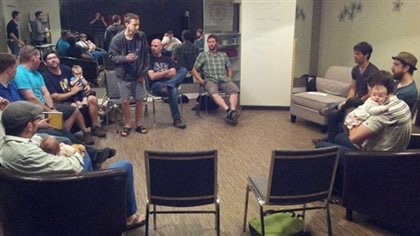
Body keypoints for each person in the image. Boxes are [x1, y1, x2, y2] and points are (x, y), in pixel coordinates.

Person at [0, 101, 146, 230]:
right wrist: (78, 151)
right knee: (123, 166)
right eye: (36, 121)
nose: (38, 122)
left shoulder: (9, 144)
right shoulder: (25, 154)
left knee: (69, 144)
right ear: (29, 126)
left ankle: (95, 165)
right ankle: (128, 218)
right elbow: (74, 167)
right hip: (66, 195)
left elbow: (36, 139)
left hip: (37, 199)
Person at [14, 46, 95, 144]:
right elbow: (31, 98)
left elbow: (45, 92)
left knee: (73, 110)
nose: (40, 61)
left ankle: (70, 137)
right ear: (33, 58)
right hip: (32, 110)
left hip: (45, 105)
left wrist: (51, 108)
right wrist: (49, 110)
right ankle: (66, 140)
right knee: (60, 117)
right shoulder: (20, 73)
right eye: (39, 58)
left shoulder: (36, 74)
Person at [317, 70, 412, 151]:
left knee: (321, 147)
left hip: (376, 158)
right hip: (396, 153)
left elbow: (354, 138)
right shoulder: (402, 104)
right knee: (339, 137)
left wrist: (353, 119)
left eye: (369, 89)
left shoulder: (384, 112)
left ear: (377, 88)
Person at [314, 42, 379, 143]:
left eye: (358, 54)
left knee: (339, 109)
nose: (355, 56)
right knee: (334, 114)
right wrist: (348, 101)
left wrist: (356, 101)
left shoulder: (372, 72)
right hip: (355, 99)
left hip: (366, 102)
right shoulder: (355, 69)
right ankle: (330, 138)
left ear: (366, 55)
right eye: (354, 53)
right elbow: (353, 88)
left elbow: (371, 94)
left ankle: (334, 108)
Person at [42, 51, 106, 138]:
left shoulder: (66, 69)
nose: (53, 60)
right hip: (63, 101)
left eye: (54, 57)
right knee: (74, 107)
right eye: (49, 59)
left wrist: (87, 86)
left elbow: (79, 79)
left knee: (92, 99)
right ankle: (85, 132)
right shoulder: (46, 76)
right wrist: (72, 92)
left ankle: (95, 127)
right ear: (45, 63)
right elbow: (55, 96)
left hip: (77, 95)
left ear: (58, 59)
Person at [109, 13, 149, 137]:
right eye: (134, 24)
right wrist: (125, 58)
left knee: (139, 100)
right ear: (126, 24)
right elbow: (111, 56)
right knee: (125, 101)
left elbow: (146, 55)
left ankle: (138, 124)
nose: (137, 27)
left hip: (138, 75)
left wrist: (144, 73)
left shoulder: (141, 37)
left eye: (138, 24)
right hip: (124, 76)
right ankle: (127, 124)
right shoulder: (117, 39)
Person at [191, 34, 240, 126]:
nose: (211, 44)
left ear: (217, 43)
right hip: (210, 80)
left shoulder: (223, 55)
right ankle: (228, 111)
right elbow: (193, 69)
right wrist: (200, 80)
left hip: (223, 79)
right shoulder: (203, 55)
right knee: (214, 92)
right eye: (209, 42)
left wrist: (229, 77)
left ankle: (232, 111)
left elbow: (229, 68)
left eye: (213, 42)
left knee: (235, 90)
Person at [148, 39, 187, 129]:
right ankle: (177, 119)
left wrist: (161, 74)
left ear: (161, 47)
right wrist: (166, 72)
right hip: (156, 85)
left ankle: (170, 84)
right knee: (172, 88)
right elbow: (152, 77)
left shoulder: (167, 59)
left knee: (183, 70)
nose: (153, 48)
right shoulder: (149, 59)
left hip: (168, 83)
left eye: (155, 46)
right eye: (152, 46)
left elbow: (173, 73)